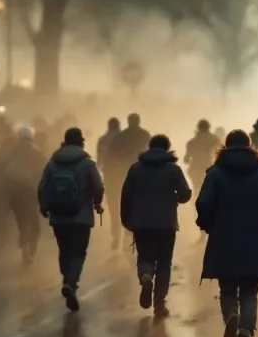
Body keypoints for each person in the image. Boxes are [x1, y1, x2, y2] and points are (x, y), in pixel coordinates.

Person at [196, 129, 258, 337]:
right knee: (249, 292)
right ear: (250, 148)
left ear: (225, 148)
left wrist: (208, 225)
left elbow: (203, 203)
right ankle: (246, 330)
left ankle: (231, 318)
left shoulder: (215, 174)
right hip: (256, 240)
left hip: (223, 239)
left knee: (227, 289)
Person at [120, 134, 192, 318]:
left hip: (141, 222)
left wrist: (126, 219)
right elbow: (185, 194)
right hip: (166, 222)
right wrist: (176, 197)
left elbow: (126, 196)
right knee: (164, 263)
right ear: (168, 148)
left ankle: (145, 277)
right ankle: (159, 303)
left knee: (145, 257)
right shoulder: (173, 169)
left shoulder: (135, 169)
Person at [38, 127, 105, 312]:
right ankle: (71, 282)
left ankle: (67, 276)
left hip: (58, 216)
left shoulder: (52, 163)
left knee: (64, 249)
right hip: (81, 216)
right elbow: (98, 187)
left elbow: (42, 187)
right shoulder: (87, 164)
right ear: (81, 142)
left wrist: (44, 206)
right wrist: (97, 203)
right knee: (78, 252)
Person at [104, 114, 150, 250]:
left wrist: (109, 175)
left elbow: (111, 157)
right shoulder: (145, 135)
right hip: (142, 175)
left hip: (122, 176)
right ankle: (132, 232)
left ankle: (120, 233)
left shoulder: (120, 137)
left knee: (120, 204)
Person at [2, 126, 46, 265]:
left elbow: (4, 170)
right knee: (34, 223)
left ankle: (25, 252)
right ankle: (31, 250)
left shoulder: (11, 152)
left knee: (22, 224)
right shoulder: (37, 151)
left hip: (16, 192)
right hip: (30, 191)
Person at [184, 119, 221, 190]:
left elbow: (186, 160)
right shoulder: (215, 139)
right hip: (209, 168)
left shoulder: (192, 142)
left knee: (197, 188)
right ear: (209, 127)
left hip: (195, 169)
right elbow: (219, 154)